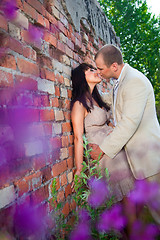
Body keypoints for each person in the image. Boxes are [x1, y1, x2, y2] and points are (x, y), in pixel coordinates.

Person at [91, 44, 160, 223]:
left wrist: (102, 150)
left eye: (100, 68)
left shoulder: (134, 81)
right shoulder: (121, 81)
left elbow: (129, 123)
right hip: (139, 161)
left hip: (150, 159)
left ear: (114, 66)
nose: (98, 72)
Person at [71, 62, 135, 202]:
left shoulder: (97, 99)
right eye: (90, 70)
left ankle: (131, 222)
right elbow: (77, 137)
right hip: (100, 152)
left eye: (94, 68)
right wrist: (79, 169)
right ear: (81, 77)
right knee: (123, 196)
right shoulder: (79, 104)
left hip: (112, 146)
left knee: (130, 193)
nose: (95, 71)